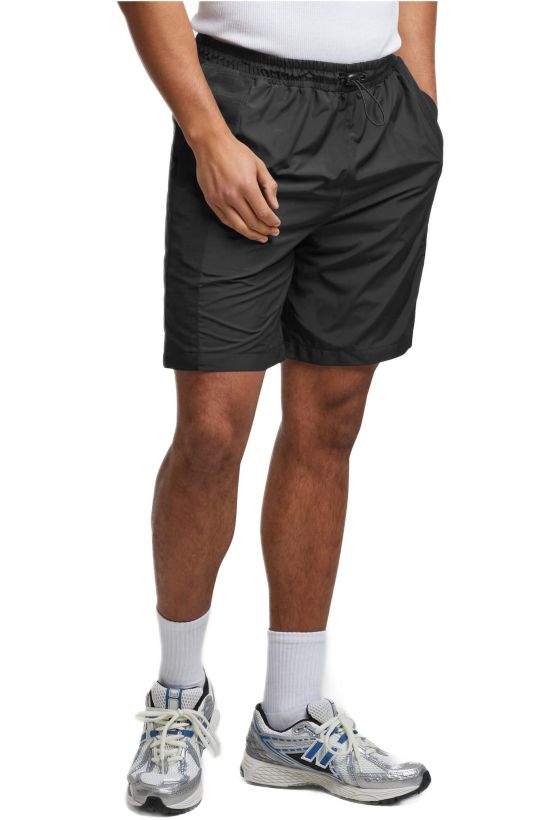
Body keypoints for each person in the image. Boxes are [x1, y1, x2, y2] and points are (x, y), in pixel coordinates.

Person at [120, 1, 442, 812]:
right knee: (210, 430)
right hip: (246, 105)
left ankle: (291, 722)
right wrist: (206, 132)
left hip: (384, 118)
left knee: (330, 423)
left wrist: (419, 90)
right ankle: (178, 698)